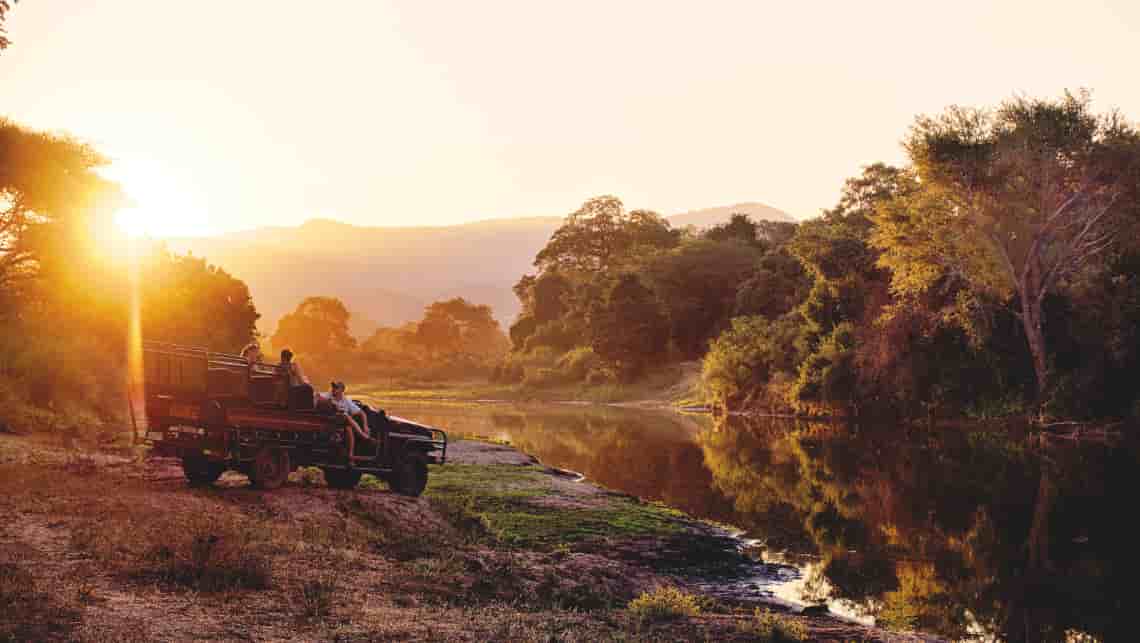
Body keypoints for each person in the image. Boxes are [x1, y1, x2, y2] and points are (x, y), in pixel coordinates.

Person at [320, 381, 374, 466]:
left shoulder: (346, 401)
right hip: (330, 421)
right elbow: (317, 395)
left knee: (349, 429)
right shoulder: (328, 395)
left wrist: (365, 425)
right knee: (345, 415)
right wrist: (329, 402)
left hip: (343, 423)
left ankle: (350, 458)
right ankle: (364, 436)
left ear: (342, 390)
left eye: (336, 388)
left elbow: (362, 413)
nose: (333, 390)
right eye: (333, 388)